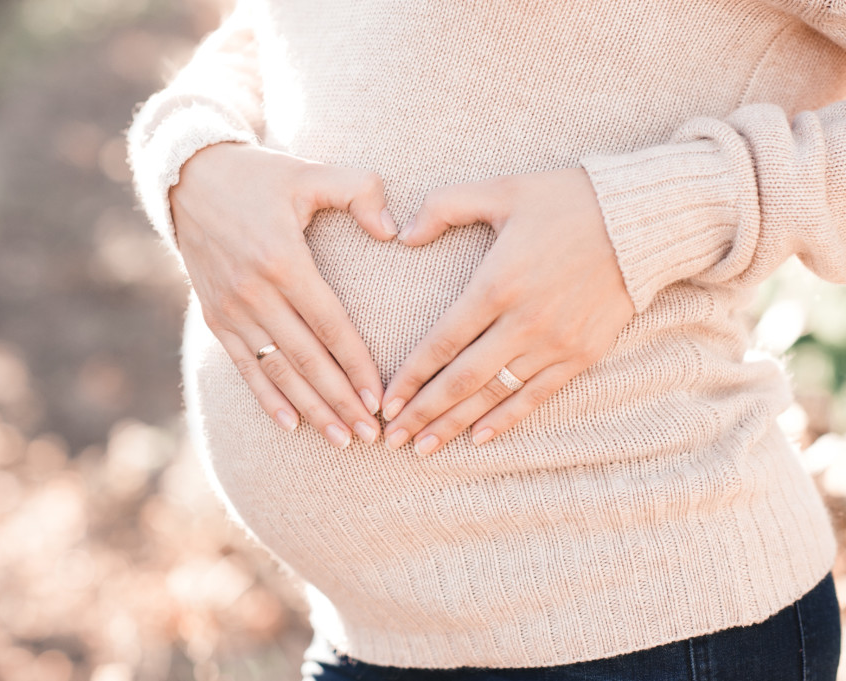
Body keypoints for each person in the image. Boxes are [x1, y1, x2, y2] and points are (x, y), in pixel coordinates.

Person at [127, 0, 846, 678]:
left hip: (644, 629)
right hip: (370, 633)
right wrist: (192, 151)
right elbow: (274, 32)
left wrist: (652, 213)